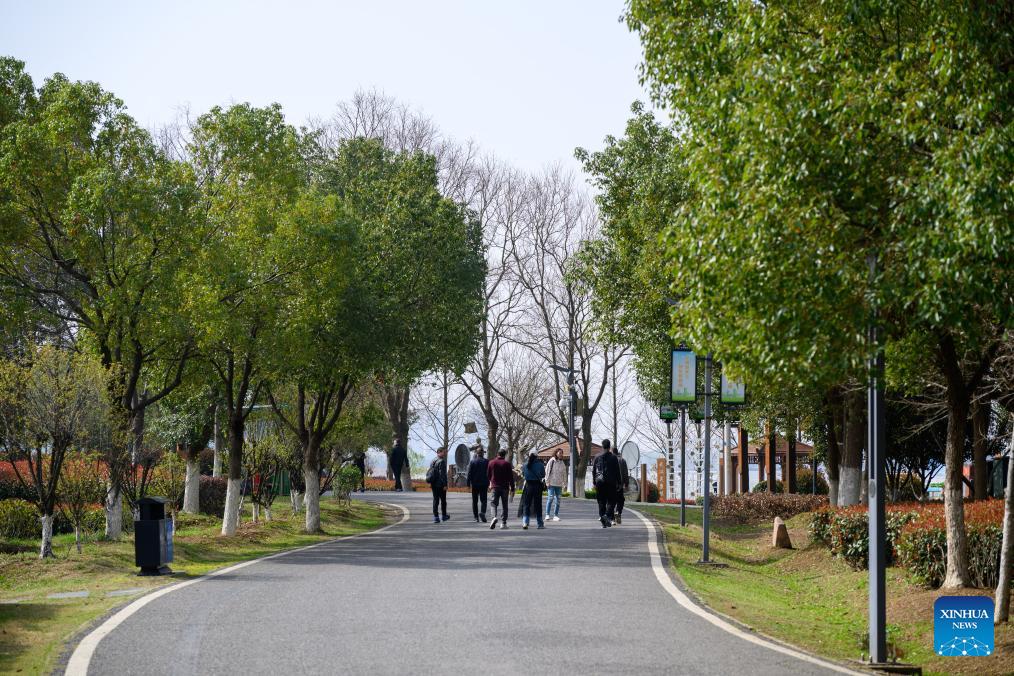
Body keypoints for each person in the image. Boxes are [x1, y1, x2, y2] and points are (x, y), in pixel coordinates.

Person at [592, 439, 620, 528]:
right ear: (609, 446)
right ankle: (606, 515)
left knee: (601, 502)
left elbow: (594, 471)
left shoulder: (597, 457)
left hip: (599, 483)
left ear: (602, 446)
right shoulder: (614, 457)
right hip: (611, 483)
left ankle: (603, 521)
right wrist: (619, 483)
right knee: (612, 501)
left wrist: (594, 482)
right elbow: (617, 471)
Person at [487, 448, 515, 530]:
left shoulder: (491, 462)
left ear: (497, 454)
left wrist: (491, 482)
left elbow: (488, 475)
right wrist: (512, 488)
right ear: (505, 455)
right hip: (505, 487)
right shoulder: (507, 464)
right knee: (504, 505)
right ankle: (503, 523)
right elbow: (511, 477)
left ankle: (494, 517)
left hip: (495, 487)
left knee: (493, 503)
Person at [521, 451, 546, 530]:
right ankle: (540, 523)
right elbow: (543, 475)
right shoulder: (540, 465)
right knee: (538, 505)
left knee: (526, 504)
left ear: (529, 455)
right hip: (537, 486)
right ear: (537, 456)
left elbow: (523, 474)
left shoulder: (525, 464)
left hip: (528, 486)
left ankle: (525, 522)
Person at [466, 445, 489, 523]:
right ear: (483, 453)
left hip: (475, 484)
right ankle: (482, 512)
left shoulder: (472, 461)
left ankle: (476, 517)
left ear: (476, 453)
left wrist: (468, 484)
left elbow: (469, 473)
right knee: (484, 500)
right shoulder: (487, 461)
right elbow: (489, 473)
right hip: (484, 484)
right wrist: (489, 482)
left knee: (475, 501)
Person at [427, 447, 449, 523]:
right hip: (440, 485)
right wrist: (445, 485)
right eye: (444, 452)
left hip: (433, 484)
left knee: (435, 500)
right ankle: (444, 516)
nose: (445, 453)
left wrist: (431, 483)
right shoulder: (442, 461)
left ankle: (436, 517)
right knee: (443, 501)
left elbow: (430, 472)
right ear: (439, 452)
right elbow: (442, 474)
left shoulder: (432, 461)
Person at [544, 448, 566, 521]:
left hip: (559, 484)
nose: (561, 454)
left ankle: (555, 515)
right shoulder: (552, 461)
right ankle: (547, 514)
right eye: (559, 453)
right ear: (556, 453)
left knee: (558, 500)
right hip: (551, 483)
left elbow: (564, 473)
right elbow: (547, 471)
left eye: (562, 453)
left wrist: (564, 483)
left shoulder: (562, 463)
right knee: (550, 498)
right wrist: (547, 482)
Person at [613, 445, 629, 524]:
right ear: (618, 452)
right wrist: (626, 484)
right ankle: (618, 512)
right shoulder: (622, 460)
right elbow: (625, 473)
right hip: (619, 485)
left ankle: (612, 516)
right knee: (620, 500)